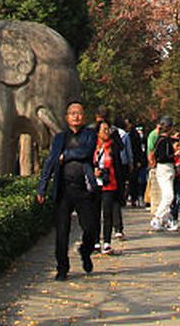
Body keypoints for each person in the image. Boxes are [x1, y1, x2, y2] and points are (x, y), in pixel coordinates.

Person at [38, 100, 102, 280]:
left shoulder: (89, 134)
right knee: (62, 231)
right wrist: (42, 187)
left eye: (79, 113)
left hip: (84, 188)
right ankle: (62, 267)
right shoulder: (60, 138)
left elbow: (86, 152)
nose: (76, 116)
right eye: (72, 113)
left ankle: (85, 250)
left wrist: (65, 156)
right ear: (67, 118)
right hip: (63, 190)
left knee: (90, 228)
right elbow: (51, 162)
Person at [92, 120, 125, 255]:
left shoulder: (113, 147)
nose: (106, 132)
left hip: (109, 183)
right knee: (94, 214)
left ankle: (106, 242)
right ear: (98, 132)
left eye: (108, 129)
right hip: (94, 184)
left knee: (107, 213)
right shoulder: (92, 147)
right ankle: (95, 241)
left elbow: (118, 166)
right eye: (103, 129)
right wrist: (93, 170)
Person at [149, 117, 180, 231]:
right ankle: (157, 217)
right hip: (164, 168)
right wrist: (175, 155)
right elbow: (162, 157)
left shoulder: (163, 140)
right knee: (169, 196)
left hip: (167, 169)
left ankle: (166, 219)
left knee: (167, 195)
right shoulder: (163, 141)